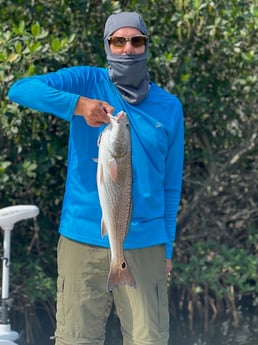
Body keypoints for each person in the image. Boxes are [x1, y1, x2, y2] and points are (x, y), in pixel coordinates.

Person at [8, 11, 184, 345]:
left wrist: (168, 247)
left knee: (149, 339)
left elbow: (171, 186)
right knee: (76, 339)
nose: (127, 49)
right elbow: (19, 89)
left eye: (136, 41)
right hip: (81, 237)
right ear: (107, 45)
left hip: (146, 243)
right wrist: (78, 105)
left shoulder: (170, 107)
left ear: (146, 46)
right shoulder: (86, 81)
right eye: (118, 41)